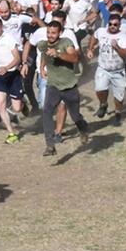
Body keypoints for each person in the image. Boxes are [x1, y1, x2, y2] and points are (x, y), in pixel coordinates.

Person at [36, 21, 88, 154]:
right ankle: (50, 145)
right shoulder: (44, 44)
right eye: (48, 32)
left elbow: (75, 58)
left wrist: (59, 54)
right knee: (47, 111)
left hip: (69, 86)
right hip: (53, 85)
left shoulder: (66, 42)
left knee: (75, 116)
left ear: (59, 32)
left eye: (53, 33)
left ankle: (83, 128)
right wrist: (42, 68)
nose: (50, 35)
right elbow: (43, 54)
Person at [89, 14, 126, 125]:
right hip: (103, 68)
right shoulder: (101, 31)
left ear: (119, 25)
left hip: (118, 71)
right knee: (99, 88)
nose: (112, 26)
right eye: (111, 24)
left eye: (115, 24)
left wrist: (116, 47)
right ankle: (103, 104)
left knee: (119, 95)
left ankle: (118, 113)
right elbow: (94, 36)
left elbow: (125, 55)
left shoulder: (123, 37)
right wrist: (90, 49)